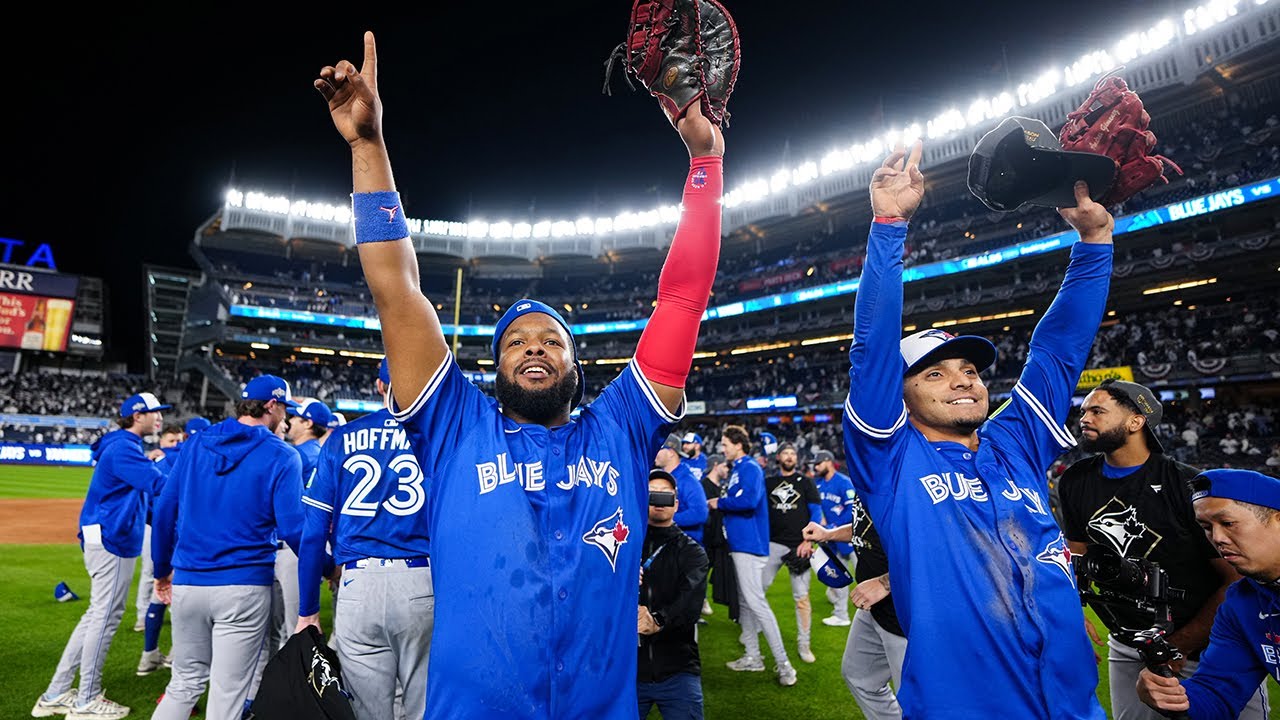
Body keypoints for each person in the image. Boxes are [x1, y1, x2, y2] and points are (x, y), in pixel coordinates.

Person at [314, 30, 724, 718]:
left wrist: (706, 161)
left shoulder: (622, 426)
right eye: (516, 342)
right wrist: (367, 147)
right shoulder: (453, 427)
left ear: (575, 364)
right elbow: (397, 288)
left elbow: (682, 297)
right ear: (494, 365)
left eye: (552, 341)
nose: (534, 349)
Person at [836, 140, 1112, 718]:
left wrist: (1093, 244)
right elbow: (873, 351)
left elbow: (1058, 351)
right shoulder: (892, 460)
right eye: (935, 373)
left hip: (1072, 702)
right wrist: (888, 226)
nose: (963, 381)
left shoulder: (1016, 442)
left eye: (969, 370)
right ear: (902, 394)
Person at [1058, 380, 1267, 719]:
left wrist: (1178, 646)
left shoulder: (1187, 484)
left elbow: (1235, 582)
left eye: (1097, 411)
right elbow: (1074, 558)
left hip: (1210, 648)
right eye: (1083, 411)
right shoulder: (1075, 479)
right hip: (1129, 644)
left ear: (1135, 421)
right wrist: (1069, 613)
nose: (1084, 418)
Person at [150, 375, 309, 720]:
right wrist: (327, 566)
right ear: (271, 406)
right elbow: (294, 529)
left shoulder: (194, 444)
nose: (286, 417)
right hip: (243, 585)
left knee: (183, 684)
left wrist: (161, 571)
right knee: (228, 693)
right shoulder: (282, 454)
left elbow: (163, 510)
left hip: (189, 583)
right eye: (284, 408)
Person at [296, 358, 432, 720]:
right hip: (423, 577)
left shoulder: (340, 438)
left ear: (378, 387)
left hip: (358, 582)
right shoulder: (437, 438)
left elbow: (312, 535)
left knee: (366, 713)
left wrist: (308, 610)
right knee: (423, 708)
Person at [31, 392, 169, 720]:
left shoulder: (123, 446)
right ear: (138, 415)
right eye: (155, 413)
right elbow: (160, 484)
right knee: (105, 618)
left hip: (106, 536)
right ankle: (87, 700)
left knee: (95, 616)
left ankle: (56, 692)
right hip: (112, 538)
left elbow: (144, 502)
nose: (160, 418)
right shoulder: (123, 448)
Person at [1137, 469, 1280, 717]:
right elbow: (1216, 694)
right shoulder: (1240, 604)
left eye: (1228, 523)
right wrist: (1169, 695)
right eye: (1206, 526)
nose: (1217, 538)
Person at [804, 476, 906, 720]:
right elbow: (863, 527)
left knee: (917, 701)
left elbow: (935, 546)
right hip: (872, 608)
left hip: (906, 615)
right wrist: (828, 534)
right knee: (858, 676)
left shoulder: (906, 477)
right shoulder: (868, 477)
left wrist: (885, 583)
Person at [713, 425, 799, 685]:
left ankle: (785, 666)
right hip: (741, 545)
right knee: (746, 604)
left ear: (738, 444)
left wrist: (720, 503)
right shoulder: (738, 469)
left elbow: (749, 501)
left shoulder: (749, 467)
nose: (722, 447)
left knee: (756, 603)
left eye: (725, 442)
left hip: (749, 545)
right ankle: (753, 657)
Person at [638, 469, 711, 719]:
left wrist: (657, 620)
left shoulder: (692, 552)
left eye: (665, 496)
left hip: (678, 667)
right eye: (652, 495)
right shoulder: (620, 547)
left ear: (676, 504)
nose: (659, 501)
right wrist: (621, 580)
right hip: (626, 670)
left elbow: (691, 603)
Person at [271, 398, 336, 655]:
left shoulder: (298, 455)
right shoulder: (318, 455)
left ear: (309, 424)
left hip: (294, 546)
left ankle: (298, 689)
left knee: (292, 630)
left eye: (295, 418)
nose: (289, 421)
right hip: (308, 543)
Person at [761, 441, 822, 663]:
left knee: (802, 598)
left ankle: (804, 643)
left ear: (796, 458)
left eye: (792, 453)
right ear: (778, 458)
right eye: (785, 453)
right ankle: (754, 627)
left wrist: (808, 540)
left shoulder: (806, 482)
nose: (789, 456)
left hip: (800, 545)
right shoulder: (768, 482)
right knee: (757, 591)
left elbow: (816, 513)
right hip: (773, 544)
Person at [811, 448, 857, 626]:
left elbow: (852, 509)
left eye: (818, 463)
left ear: (829, 462)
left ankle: (875, 612)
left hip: (850, 536)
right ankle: (841, 615)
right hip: (831, 539)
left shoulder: (844, 483)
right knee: (838, 576)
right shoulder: (818, 484)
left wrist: (834, 527)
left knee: (865, 576)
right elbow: (817, 508)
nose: (816, 467)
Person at [657, 433, 708, 544]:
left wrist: (664, 518)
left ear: (670, 453)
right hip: (668, 543)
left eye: (659, 449)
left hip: (685, 547)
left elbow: (700, 513)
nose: (654, 452)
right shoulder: (661, 477)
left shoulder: (687, 480)